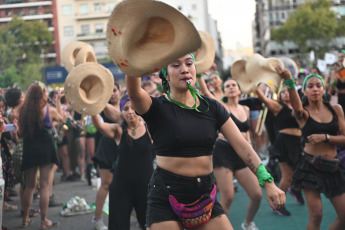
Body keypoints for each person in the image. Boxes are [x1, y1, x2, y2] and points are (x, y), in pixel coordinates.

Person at [126, 53, 285, 230]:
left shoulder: (212, 107)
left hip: (204, 194)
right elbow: (134, 93)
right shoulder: (156, 107)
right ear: (165, 75)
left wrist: (268, 181)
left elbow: (241, 145)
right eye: (175, 65)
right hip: (167, 194)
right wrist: (135, 55)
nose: (184, 69)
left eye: (189, 63)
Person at [278, 66, 345, 229]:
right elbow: (296, 107)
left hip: (333, 167)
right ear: (305, 92)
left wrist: (326, 137)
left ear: (324, 89)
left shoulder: (336, 109)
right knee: (316, 216)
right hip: (310, 168)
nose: (315, 89)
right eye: (310, 86)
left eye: (318, 85)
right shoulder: (302, 113)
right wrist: (289, 82)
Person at [197, 75, 262, 229]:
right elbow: (206, 92)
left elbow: (248, 134)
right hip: (223, 152)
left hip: (241, 153)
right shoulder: (222, 106)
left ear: (239, 90)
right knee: (227, 198)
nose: (231, 87)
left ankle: (247, 224)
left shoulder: (245, 108)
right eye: (228, 86)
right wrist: (199, 74)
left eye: (234, 85)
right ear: (224, 92)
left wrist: (252, 152)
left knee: (257, 195)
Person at [92, 95, 154, 230]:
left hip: (146, 187)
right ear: (121, 112)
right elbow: (99, 126)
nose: (130, 111)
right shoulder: (118, 130)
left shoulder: (149, 128)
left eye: (133, 108)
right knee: (119, 225)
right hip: (122, 187)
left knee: (149, 224)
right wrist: (91, 106)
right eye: (126, 109)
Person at [18, 81, 63, 229]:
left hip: (30, 147)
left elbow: (20, 132)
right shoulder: (48, 110)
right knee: (44, 186)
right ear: (42, 94)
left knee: (29, 186)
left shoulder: (23, 111)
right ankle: (44, 221)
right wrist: (58, 101)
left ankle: (25, 219)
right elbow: (61, 119)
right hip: (45, 147)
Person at [256, 84, 304, 216]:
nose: (286, 93)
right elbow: (264, 99)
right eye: (283, 92)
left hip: (297, 143)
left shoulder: (298, 107)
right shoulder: (278, 106)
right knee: (287, 177)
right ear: (280, 96)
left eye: (288, 91)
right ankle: (277, 205)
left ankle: (295, 189)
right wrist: (255, 85)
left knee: (300, 172)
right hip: (284, 143)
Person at [91, 83, 122, 230]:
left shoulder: (127, 106)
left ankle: (134, 211)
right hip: (107, 148)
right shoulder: (104, 107)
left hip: (125, 148)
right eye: (110, 92)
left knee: (126, 184)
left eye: (114, 90)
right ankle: (97, 219)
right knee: (106, 184)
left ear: (120, 90)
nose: (112, 94)